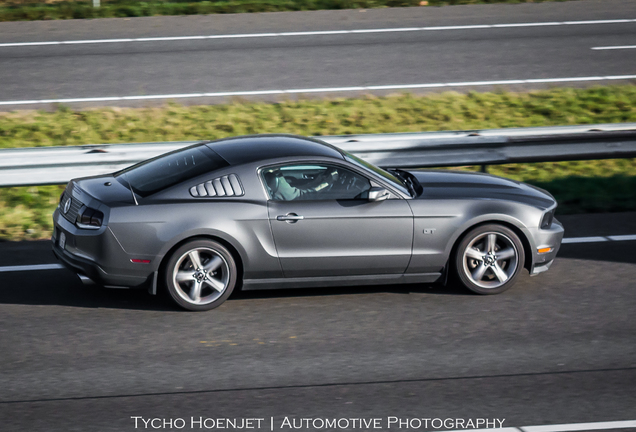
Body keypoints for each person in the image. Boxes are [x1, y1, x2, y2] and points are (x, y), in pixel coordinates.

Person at [264, 168, 338, 200]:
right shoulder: (275, 182)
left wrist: (316, 181)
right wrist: (328, 182)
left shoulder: (274, 177)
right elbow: (304, 195)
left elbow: (297, 189)